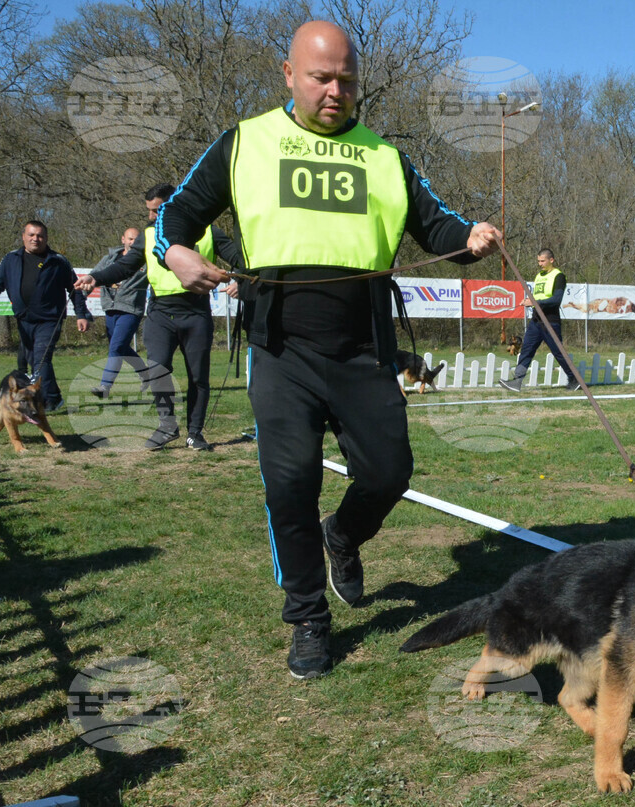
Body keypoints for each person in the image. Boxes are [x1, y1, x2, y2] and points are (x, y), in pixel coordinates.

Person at [152, 20, 501, 679]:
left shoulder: (385, 157)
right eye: (321, 77)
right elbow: (175, 214)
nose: (335, 90)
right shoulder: (245, 143)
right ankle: (308, 618)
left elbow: (436, 225)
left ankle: (342, 535)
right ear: (289, 75)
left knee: (389, 472)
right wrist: (174, 253)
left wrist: (471, 236)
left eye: (346, 78)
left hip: (364, 346)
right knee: (290, 483)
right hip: (280, 345)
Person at [76, 184, 242, 450]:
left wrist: (241, 282)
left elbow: (240, 257)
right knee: (157, 371)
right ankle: (167, 427)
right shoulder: (148, 234)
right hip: (160, 314)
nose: (152, 216)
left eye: (157, 210)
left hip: (196, 313)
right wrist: (96, 277)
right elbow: (124, 267)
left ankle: (195, 434)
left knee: (198, 377)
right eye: (150, 211)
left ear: (173, 204)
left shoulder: (210, 231)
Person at [0, 221, 91, 411]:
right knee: (34, 360)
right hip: (24, 320)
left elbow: (75, 289)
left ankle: (47, 401)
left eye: (40, 235)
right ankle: (55, 397)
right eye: (32, 235)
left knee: (40, 359)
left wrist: (81, 315)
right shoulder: (11, 259)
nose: (36, 239)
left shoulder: (58, 261)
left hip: (50, 320)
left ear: (46, 238)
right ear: (24, 236)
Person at [498, 248, 579, 392]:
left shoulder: (558, 276)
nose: (540, 264)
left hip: (550, 321)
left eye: (542, 261)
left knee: (558, 353)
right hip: (536, 321)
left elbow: (556, 300)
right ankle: (517, 381)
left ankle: (574, 379)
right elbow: (539, 298)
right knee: (526, 351)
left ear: (551, 260)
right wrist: (529, 302)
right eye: (538, 261)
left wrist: (535, 302)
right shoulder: (539, 276)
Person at [90, 226, 148, 398]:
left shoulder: (146, 261)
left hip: (131, 309)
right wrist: (83, 292)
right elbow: (94, 275)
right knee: (120, 347)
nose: (132, 242)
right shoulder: (109, 258)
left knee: (116, 347)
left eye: (136, 240)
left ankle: (105, 387)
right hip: (110, 307)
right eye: (130, 239)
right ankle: (146, 373)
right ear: (123, 239)